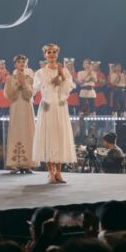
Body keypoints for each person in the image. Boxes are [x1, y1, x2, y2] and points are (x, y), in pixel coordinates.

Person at [33, 43, 76, 184]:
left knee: (60, 136)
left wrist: (61, 75)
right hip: (47, 104)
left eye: (53, 52)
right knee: (48, 136)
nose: (51, 54)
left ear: (57, 54)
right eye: (48, 52)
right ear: (45, 55)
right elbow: (36, 87)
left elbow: (69, 86)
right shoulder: (40, 72)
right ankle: (50, 172)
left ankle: (59, 172)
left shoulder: (64, 70)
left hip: (60, 104)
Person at [5, 54, 36, 174]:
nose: (21, 64)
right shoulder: (9, 79)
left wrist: (24, 84)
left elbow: (30, 95)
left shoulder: (30, 79)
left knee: (28, 132)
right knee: (15, 131)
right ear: (15, 64)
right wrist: (18, 84)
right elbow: (9, 95)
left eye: (23, 62)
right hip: (16, 107)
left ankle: (27, 164)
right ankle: (15, 164)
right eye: (19, 62)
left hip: (27, 107)